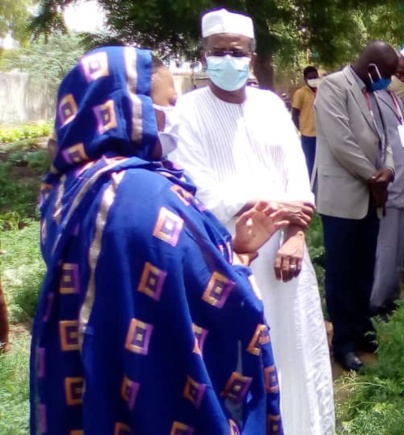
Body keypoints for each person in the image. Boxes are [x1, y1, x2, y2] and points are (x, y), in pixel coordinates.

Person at [31, 46, 286, 433]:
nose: (173, 118)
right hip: (155, 393)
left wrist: (229, 246)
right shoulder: (145, 195)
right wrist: (241, 262)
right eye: (167, 104)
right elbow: (218, 298)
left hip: (90, 382)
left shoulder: (68, 187)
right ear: (128, 109)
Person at [169, 9, 335, 432]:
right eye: (218, 51)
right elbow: (200, 189)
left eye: (236, 51)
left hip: (286, 260)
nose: (228, 59)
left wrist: (296, 237)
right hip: (227, 259)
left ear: (251, 54)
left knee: (296, 355)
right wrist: (279, 207)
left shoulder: (270, 107)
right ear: (204, 55)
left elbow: (299, 178)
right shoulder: (185, 112)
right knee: (237, 364)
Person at [314, 41, 398, 372]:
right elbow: (341, 142)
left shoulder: (373, 94)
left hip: (370, 198)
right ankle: (343, 343)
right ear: (373, 68)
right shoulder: (333, 87)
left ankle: (362, 330)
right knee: (342, 274)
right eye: (387, 74)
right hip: (342, 199)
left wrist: (388, 170)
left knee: (364, 270)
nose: (389, 81)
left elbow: (386, 139)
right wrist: (374, 178)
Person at [370, 50, 404, 318]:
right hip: (389, 186)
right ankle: (376, 304)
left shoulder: (396, 100)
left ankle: (391, 296)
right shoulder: (374, 100)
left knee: (397, 249)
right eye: (397, 73)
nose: (401, 78)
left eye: (403, 73)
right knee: (385, 249)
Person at [293, 66, 320, 178]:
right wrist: (302, 129)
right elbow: (294, 115)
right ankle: (311, 189)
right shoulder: (300, 93)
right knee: (310, 164)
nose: (313, 80)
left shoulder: (322, 91)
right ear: (305, 79)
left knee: (322, 164)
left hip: (323, 135)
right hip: (308, 136)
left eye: (315, 77)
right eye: (310, 78)